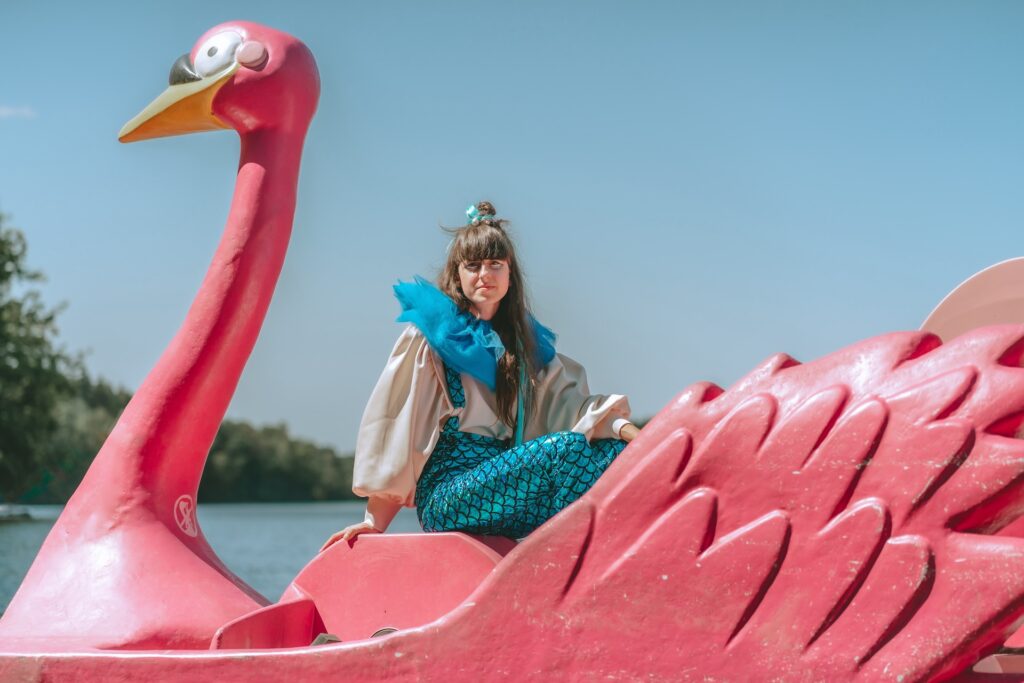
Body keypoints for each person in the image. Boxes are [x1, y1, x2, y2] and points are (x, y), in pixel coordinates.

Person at [321, 202, 639, 550]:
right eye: (472, 266)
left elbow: (572, 407)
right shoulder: (433, 338)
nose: (484, 274)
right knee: (566, 449)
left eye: (495, 265)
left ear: (510, 274)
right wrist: (374, 522)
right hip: (449, 496)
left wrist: (634, 436)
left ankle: (610, 548)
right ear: (457, 274)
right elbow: (399, 423)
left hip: (506, 489)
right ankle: (573, 550)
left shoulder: (523, 348)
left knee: (613, 454)